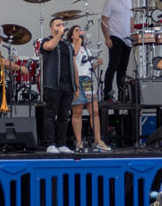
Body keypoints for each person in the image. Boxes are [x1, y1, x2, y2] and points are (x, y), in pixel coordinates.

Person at [67, 25, 110, 152]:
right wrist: (78, 41)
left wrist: (96, 64)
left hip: (87, 80)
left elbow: (87, 67)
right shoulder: (71, 47)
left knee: (95, 111)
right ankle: (79, 142)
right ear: (71, 35)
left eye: (80, 30)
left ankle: (98, 140)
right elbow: (73, 56)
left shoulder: (85, 48)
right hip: (77, 80)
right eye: (77, 30)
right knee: (77, 112)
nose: (80, 32)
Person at [41, 17, 78, 154]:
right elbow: (50, 47)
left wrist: (76, 86)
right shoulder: (46, 41)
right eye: (58, 25)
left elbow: (73, 64)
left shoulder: (68, 45)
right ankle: (50, 143)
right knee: (51, 114)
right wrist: (58, 35)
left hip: (67, 85)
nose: (61, 26)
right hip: (53, 84)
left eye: (63, 24)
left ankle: (62, 143)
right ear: (52, 28)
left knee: (64, 116)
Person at [101, 0, 133, 102]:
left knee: (123, 68)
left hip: (127, 38)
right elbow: (104, 19)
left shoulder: (129, 1)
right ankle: (107, 93)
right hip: (115, 36)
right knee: (113, 65)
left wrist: (133, 34)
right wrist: (107, 37)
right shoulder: (111, 1)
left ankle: (122, 93)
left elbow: (131, 19)